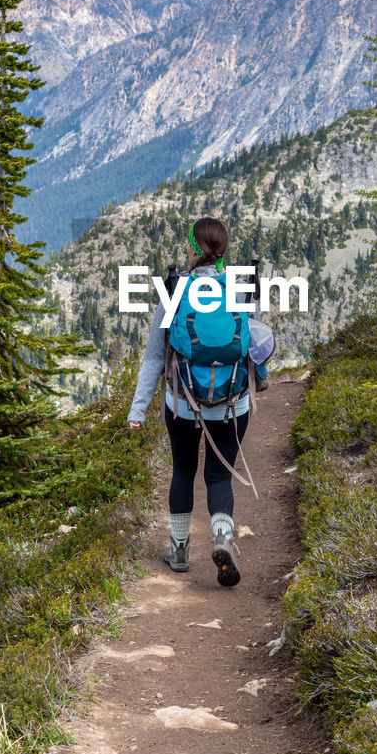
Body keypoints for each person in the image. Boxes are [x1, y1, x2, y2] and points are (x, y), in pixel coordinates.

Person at [128, 217, 251, 588]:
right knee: (218, 475)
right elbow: (256, 347)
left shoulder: (176, 292)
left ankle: (179, 551)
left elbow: (154, 356)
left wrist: (138, 409)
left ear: (194, 249)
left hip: (182, 404)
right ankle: (223, 537)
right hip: (231, 405)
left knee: (183, 471)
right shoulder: (239, 290)